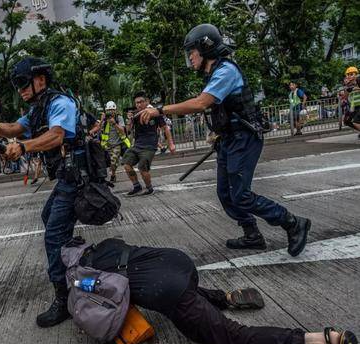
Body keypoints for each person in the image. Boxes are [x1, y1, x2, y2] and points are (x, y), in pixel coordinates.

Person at [137, 24, 311, 256]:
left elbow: (201, 103)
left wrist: (160, 109)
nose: (190, 56)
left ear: (205, 48)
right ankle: (252, 235)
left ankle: (292, 222)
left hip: (245, 138)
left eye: (192, 51)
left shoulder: (225, 71)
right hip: (229, 139)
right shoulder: (213, 74)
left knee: (241, 195)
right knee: (225, 193)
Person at [77, 236, 358, 344]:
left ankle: (324, 340)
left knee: (233, 338)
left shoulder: (88, 279)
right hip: (179, 262)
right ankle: (224, 297)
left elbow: (105, 317)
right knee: (187, 295)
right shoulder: (108, 244)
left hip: (170, 291)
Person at [0, 57, 82, 328]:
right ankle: (75, 261)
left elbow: (57, 136)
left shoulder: (60, 103)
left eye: (24, 83)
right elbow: (13, 128)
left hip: (77, 178)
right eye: (17, 85)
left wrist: (24, 147)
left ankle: (64, 300)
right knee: (49, 218)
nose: (21, 90)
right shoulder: (37, 109)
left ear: (41, 79)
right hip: (65, 178)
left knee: (53, 236)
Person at [123, 91, 176, 196]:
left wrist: (171, 144)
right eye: (136, 103)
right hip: (137, 145)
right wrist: (129, 120)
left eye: (141, 102)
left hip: (149, 146)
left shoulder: (155, 113)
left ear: (147, 101)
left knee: (142, 167)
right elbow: (128, 131)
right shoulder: (135, 115)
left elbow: (165, 128)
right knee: (126, 164)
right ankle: (137, 186)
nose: (138, 105)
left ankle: (149, 188)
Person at [99, 101, 130, 182]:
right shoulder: (105, 120)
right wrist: (102, 120)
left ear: (115, 110)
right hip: (107, 145)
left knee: (113, 162)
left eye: (112, 110)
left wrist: (114, 123)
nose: (111, 112)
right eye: (109, 110)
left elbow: (123, 131)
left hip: (117, 144)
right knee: (107, 162)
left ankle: (112, 174)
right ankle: (112, 173)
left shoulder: (119, 118)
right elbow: (98, 129)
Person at [342, 66, 360, 138]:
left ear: (356, 74)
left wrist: (354, 88)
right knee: (346, 121)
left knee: (355, 122)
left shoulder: (358, 80)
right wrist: (347, 87)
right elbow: (345, 97)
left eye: (351, 74)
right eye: (348, 74)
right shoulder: (349, 84)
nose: (349, 76)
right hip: (354, 106)